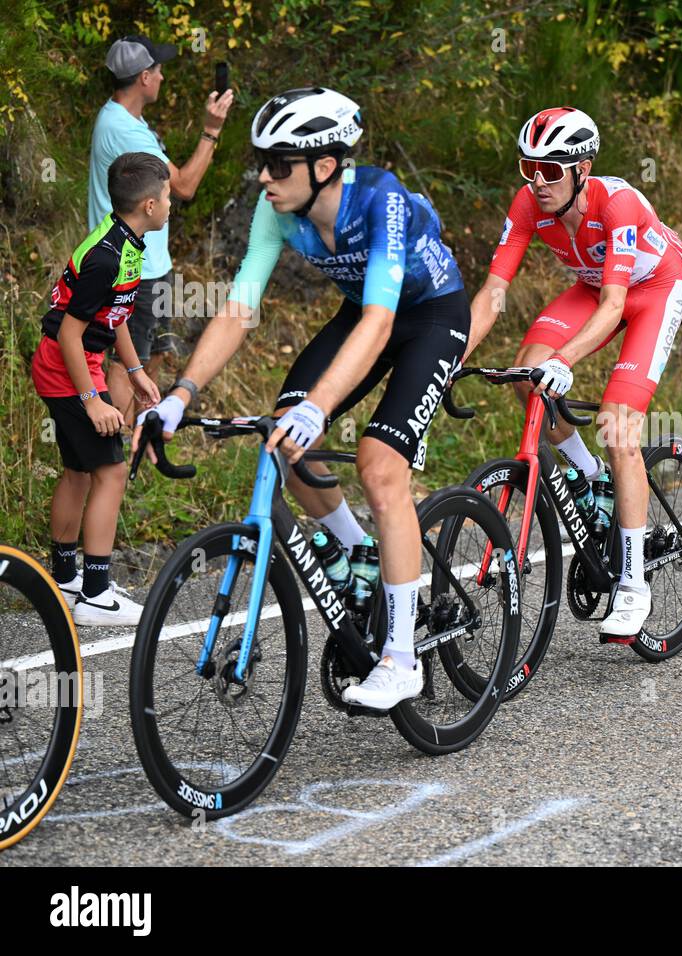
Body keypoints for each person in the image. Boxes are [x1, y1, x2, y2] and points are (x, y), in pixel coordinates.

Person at [134, 87, 468, 709]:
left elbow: (378, 322)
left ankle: (402, 661)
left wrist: (322, 405)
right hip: (364, 312)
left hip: (430, 316)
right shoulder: (277, 209)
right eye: (262, 161)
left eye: (278, 164)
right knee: (284, 433)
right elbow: (239, 307)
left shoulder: (381, 200)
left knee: (379, 466)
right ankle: (358, 548)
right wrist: (181, 394)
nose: (264, 176)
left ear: (324, 166)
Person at [464, 107, 682, 641]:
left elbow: (615, 306)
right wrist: (450, 357)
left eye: (550, 171)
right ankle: (589, 476)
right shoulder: (528, 205)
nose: (536, 182)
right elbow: (494, 293)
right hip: (594, 288)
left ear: (582, 169)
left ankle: (634, 585)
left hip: (651, 292)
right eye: (528, 168)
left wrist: (565, 360)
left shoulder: (618, 204)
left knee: (618, 425)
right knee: (526, 373)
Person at [33, 153, 166, 625]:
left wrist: (134, 372)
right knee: (110, 471)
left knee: (79, 471)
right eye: (167, 196)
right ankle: (94, 595)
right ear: (149, 205)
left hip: (72, 364)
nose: (171, 204)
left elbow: (116, 316)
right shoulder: (107, 257)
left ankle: (66, 578)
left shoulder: (125, 239)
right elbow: (70, 333)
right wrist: (92, 400)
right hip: (66, 368)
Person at [91, 34, 233, 427]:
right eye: (158, 70)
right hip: (131, 267)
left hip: (149, 263)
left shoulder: (128, 120)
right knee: (125, 362)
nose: (163, 77)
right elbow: (184, 185)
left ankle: (142, 437)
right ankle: (111, 451)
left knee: (151, 354)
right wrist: (211, 130)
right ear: (143, 78)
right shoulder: (126, 131)